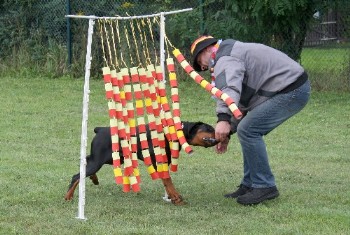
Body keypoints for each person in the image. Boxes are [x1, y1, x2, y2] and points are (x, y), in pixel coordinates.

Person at [190, 35, 311, 205]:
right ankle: (250, 184)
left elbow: (229, 89)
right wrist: (229, 130)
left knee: (249, 130)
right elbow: (242, 101)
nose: (202, 67)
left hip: (290, 89)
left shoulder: (225, 58)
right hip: (286, 87)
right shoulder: (231, 52)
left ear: (207, 50)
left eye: (199, 61)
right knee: (246, 128)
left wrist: (223, 119)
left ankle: (264, 186)